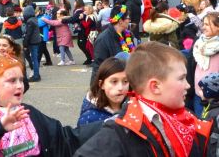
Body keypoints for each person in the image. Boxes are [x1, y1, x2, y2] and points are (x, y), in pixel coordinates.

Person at [75, 42, 212, 157]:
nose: (188, 85)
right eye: (181, 78)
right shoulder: (121, 134)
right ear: (155, 86)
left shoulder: (184, 116)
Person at [77, 58, 128, 127]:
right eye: (114, 81)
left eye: (125, 81)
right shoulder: (90, 118)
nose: (120, 88)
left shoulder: (134, 108)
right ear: (101, 84)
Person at [91, 5, 135, 84]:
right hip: (111, 83)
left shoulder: (128, 35)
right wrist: (95, 90)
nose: (130, 20)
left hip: (127, 81)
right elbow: (98, 67)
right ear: (121, 21)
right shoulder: (103, 39)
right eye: (128, 18)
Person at [192, 12, 219, 117]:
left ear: (217, 27)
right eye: (204, 24)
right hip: (198, 94)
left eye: (207, 24)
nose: (203, 27)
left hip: (215, 98)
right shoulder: (199, 43)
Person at [23, 5, 42, 82]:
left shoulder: (30, 21)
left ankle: (36, 76)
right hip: (36, 41)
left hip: (32, 42)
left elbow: (28, 34)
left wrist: (25, 44)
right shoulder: (34, 19)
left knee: (34, 59)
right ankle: (37, 74)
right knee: (35, 59)